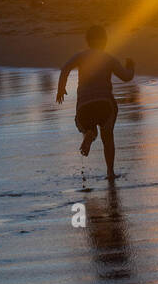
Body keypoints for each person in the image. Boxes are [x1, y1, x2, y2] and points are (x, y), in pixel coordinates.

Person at [56, 23, 135, 180]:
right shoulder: (108, 58)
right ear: (105, 41)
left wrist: (61, 89)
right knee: (108, 138)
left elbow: (65, 68)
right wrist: (131, 66)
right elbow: (126, 77)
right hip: (104, 104)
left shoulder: (81, 56)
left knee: (84, 123)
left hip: (85, 106)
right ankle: (110, 172)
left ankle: (88, 134)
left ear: (87, 41)